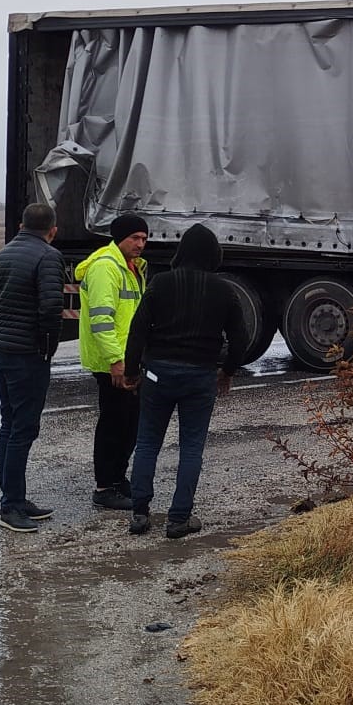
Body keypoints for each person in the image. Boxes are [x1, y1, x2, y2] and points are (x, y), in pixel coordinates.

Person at [121, 224, 245, 539]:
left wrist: (133, 370)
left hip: (158, 373)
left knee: (148, 442)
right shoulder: (224, 290)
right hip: (200, 375)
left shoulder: (161, 283)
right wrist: (227, 371)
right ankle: (179, 518)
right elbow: (240, 339)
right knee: (191, 447)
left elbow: (138, 330)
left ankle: (139, 514)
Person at [0, 202, 64, 532]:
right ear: (53, 230)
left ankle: (15, 498)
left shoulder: (4, 253)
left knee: (10, 424)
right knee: (23, 429)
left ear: (21, 225)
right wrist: (47, 347)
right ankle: (10, 506)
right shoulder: (48, 256)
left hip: (0, 348)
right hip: (25, 355)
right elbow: (51, 308)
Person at [76, 213, 149, 511]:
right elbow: (102, 320)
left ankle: (117, 479)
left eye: (144, 238)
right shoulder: (107, 268)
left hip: (128, 359)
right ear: (120, 238)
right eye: (135, 238)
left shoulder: (131, 267)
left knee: (129, 421)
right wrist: (116, 361)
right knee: (114, 423)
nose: (141, 244)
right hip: (112, 362)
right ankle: (105, 486)